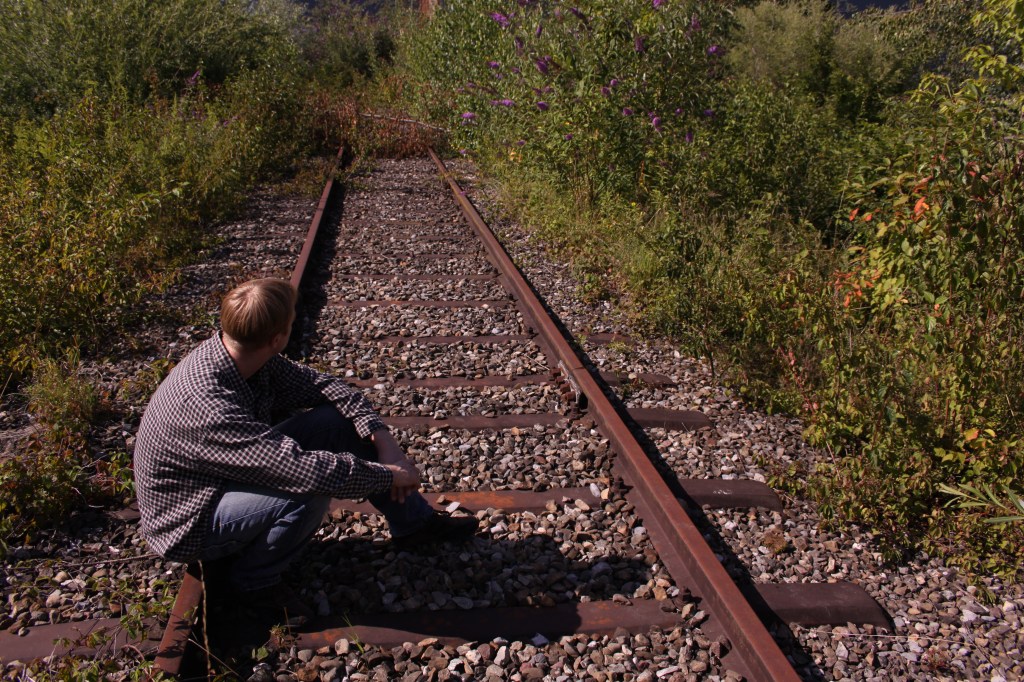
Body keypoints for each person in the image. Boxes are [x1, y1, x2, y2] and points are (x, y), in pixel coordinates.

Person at [133, 278, 477, 622]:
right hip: (190, 517)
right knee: (309, 491)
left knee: (334, 421)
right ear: (277, 338)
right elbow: (307, 472)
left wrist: (388, 448)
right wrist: (389, 476)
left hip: (219, 477)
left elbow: (329, 388)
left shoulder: (244, 355)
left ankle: (414, 525)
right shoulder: (209, 406)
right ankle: (254, 584)